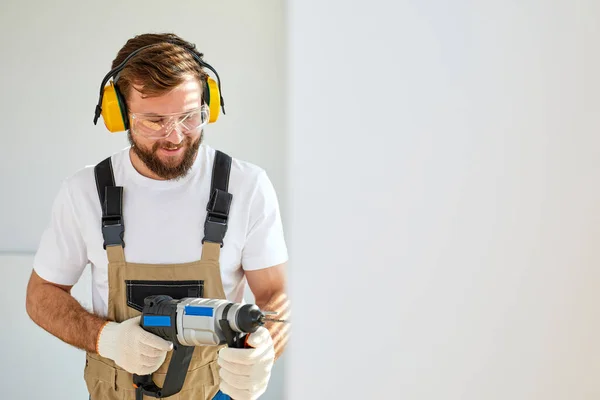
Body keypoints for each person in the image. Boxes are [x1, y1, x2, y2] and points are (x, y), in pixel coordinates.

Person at [25, 32, 290, 400]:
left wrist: (265, 349)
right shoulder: (84, 193)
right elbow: (41, 296)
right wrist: (106, 338)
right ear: (118, 115)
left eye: (189, 116)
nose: (175, 136)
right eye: (154, 121)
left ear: (208, 105)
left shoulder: (247, 187)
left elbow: (276, 294)